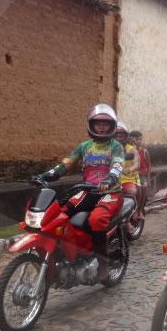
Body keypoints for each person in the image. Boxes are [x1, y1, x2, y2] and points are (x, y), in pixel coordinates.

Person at [39, 104, 124, 277]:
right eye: (98, 123)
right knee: (58, 213)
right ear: (91, 125)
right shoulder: (84, 146)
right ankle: (65, 253)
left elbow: (117, 165)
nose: (101, 127)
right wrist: (47, 175)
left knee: (97, 219)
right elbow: (66, 163)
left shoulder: (116, 146)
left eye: (105, 124)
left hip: (110, 193)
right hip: (87, 191)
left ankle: (103, 263)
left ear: (111, 126)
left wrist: (110, 179)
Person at [129, 130, 151, 220]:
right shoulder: (128, 150)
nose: (139, 141)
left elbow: (149, 166)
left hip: (142, 176)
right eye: (137, 139)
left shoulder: (144, 152)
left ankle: (140, 210)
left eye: (140, 139)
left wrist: (148, 179)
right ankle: (133, 210)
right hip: (131, 175)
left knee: (144, 187)